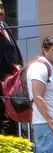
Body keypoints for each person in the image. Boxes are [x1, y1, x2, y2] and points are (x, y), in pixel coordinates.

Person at [0, 3, 23, 136]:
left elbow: (13, 53)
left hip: (12, 88)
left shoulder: (6, 27)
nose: (0, 11)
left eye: (2, 7)